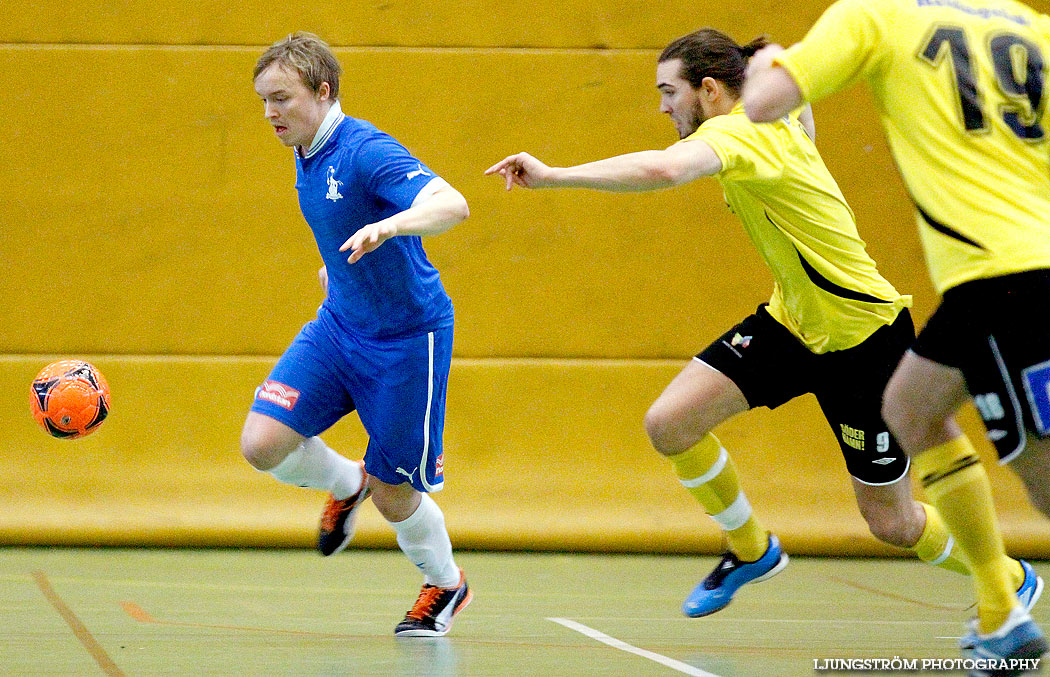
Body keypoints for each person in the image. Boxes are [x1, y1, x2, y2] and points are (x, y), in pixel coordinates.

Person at [485, 27, 1043, 621]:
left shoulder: (739, 132)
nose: (661, 106)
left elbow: (665, 170)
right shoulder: (771, 116)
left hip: (864, 337)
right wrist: (772, 59)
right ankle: (751, 549)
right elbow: (791, 86)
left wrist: (552, 176)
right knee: (670, 424)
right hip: (792, 322)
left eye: (668, 91)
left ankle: (1009, 579)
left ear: (708, 89)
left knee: (893, 523)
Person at [743, 0, 1050, 669]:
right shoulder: (1029, 25)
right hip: (996, 279)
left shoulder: (875, 17)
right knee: (910, 405)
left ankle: (1003, 606)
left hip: (1007, 277)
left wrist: (770, 62)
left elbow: (765, 103)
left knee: (1045, 479)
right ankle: (1002, 606)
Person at [241, 32, 472, 637]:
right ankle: (347, 483)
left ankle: (446, 586)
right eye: (263, 100)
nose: (270, 114)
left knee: (397, 497)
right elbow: (341, 221)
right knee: (261, 443)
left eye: (282, 99)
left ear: (323, 91)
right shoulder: (305, 148)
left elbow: (453, 203)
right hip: (340, 327)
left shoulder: (365, 150)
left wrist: (389, 228)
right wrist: (339, 266)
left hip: (406, 341)